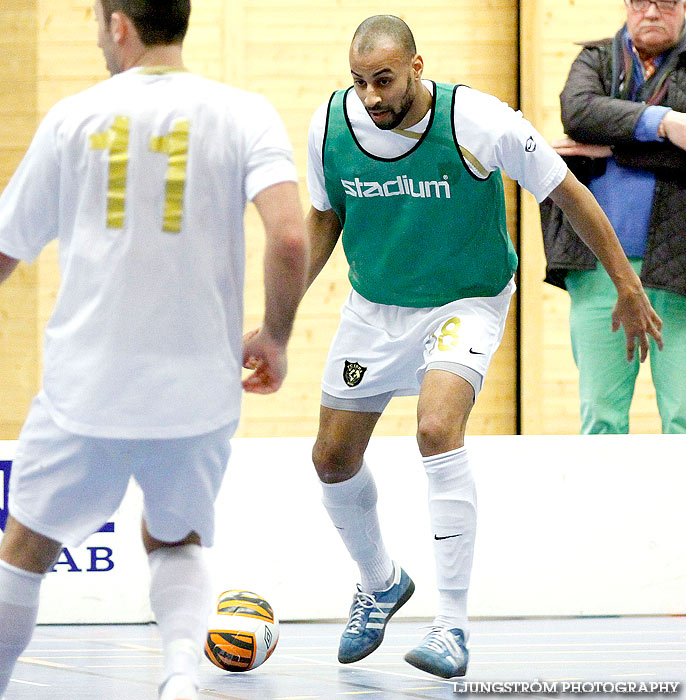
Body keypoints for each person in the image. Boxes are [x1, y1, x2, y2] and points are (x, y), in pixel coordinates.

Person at [303, 15, 662, 679]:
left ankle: (452, 627)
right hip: (374, 307)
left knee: (437, 428)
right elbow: (325, 219)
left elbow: (570, 193)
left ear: (416, 66)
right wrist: (276, 318)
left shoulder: (478, 120)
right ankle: (380, 583)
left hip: (465, 299)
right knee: (330, 459)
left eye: (384, 79)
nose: (372, 96)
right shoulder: (331, 125)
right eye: (359, 82)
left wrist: (626, 285)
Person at [0, 1, 308, 699]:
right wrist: (276, 337)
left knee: (24, 550)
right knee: (178, 538)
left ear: (118, 25)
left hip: (86, 390)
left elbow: (4, 248)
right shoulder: (245, 113)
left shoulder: (72, 118)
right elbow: (290, 237)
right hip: (198, 390)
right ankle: (177, 679)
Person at [540, 0, 686, 434]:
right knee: (601, 416)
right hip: (598, 267)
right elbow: (580, 112)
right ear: (627, 4)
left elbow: (593, 128)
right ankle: (599, 505)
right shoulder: (597, 59)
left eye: (668, 1)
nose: (653, 11)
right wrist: (666, 123)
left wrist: (615, 147)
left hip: (679, 270)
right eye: (642, 1)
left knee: (683, 416)